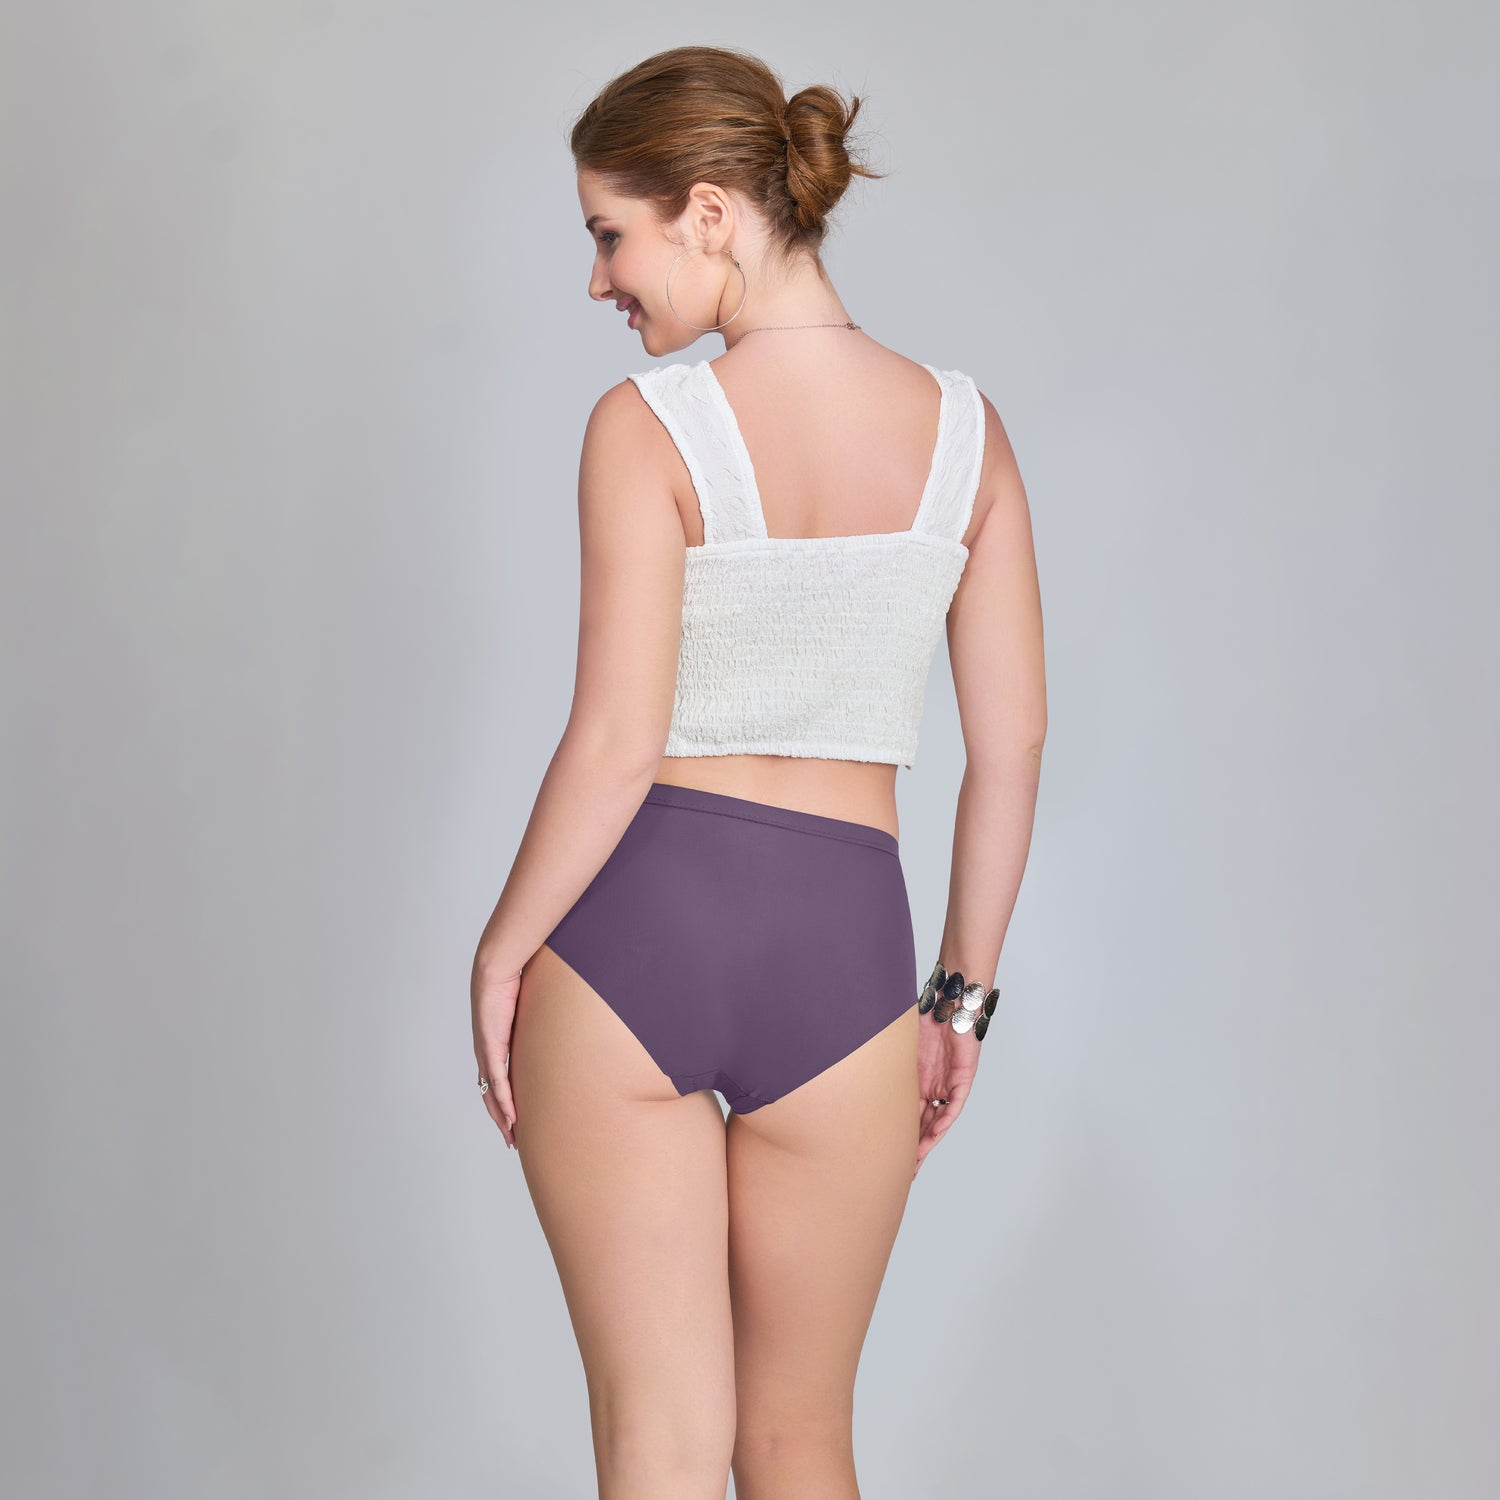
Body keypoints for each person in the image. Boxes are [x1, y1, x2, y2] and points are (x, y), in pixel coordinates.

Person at [470, 44, 1046, 1500]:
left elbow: (615, 742)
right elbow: (1012, 746)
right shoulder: (967, 438)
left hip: (636, 948)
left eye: (612, 234)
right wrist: (960, 1000)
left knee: (659, 1445)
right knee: (800, 1444)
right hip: (846, 969)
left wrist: (501, 950)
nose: (600, 281)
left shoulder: (645, 429)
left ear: (711, 213)